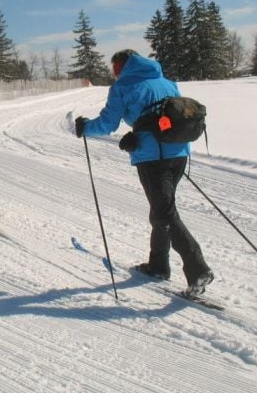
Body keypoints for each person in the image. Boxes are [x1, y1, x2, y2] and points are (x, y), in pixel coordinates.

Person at [74, 49, 214, 297]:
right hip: (180, 152)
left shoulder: (124, 86)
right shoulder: (165, 81)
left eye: (115, 67)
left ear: (123, 65)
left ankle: (197, 268)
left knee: (165, 213)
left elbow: (108, 123)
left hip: (153, 157)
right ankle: (158, 265)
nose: (114, 73)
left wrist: (85, 127)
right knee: (162, 209)